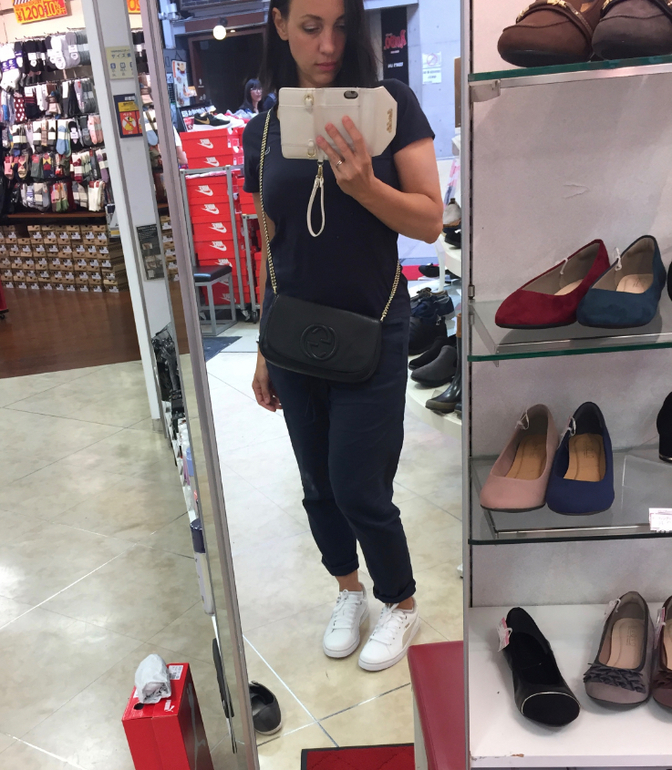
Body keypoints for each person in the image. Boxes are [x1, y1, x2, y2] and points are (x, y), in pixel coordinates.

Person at [243, 0, 442, 671]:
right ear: (279, 25)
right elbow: (272, 245)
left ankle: (400, 602)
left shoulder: (390, 106)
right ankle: (348, 592)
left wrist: (363, 187)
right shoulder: (262, 129)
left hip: (373, 327)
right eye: (309, 27)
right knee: (317, 484)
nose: (328, 44)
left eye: (339, 26)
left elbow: (429, 220)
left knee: (358, 484)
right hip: (294, 335)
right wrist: (264, 345)